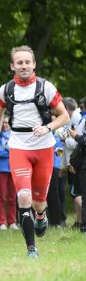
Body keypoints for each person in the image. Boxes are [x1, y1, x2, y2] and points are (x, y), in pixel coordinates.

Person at [0, 45, 69, 258]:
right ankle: (31, 249)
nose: (23, 66)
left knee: (39, 202)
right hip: (18, 147)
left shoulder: (46, 87)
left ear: (34, 64)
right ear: (12, 66)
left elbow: (64, 116)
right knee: (23, 197)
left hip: (43, 147)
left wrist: (47, 127)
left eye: (27, 62)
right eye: (19, 63)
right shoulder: (6, 90)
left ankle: (41, 215)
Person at [59, 97, 82, 230]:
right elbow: (66, 148)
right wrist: (63, 165)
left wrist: (65, 139)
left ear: (66, 109)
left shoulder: (77, 120)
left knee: (76, 193)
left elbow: (76, 143)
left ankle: (82, 221)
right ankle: (79, 221)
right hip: (71, 163)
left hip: (77, 163)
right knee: (75, 193)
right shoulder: (70, 120)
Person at [0, 115, 17, 230]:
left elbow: (16, 150)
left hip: (13, 168)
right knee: (1, 196)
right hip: (0, 169)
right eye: (2, 123)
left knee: (12, 196)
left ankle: (12, 221)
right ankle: (2, 222)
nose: (4, 125)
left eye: (6, 122)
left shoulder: (15, 134)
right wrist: (8, 149)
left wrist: (5, 148)